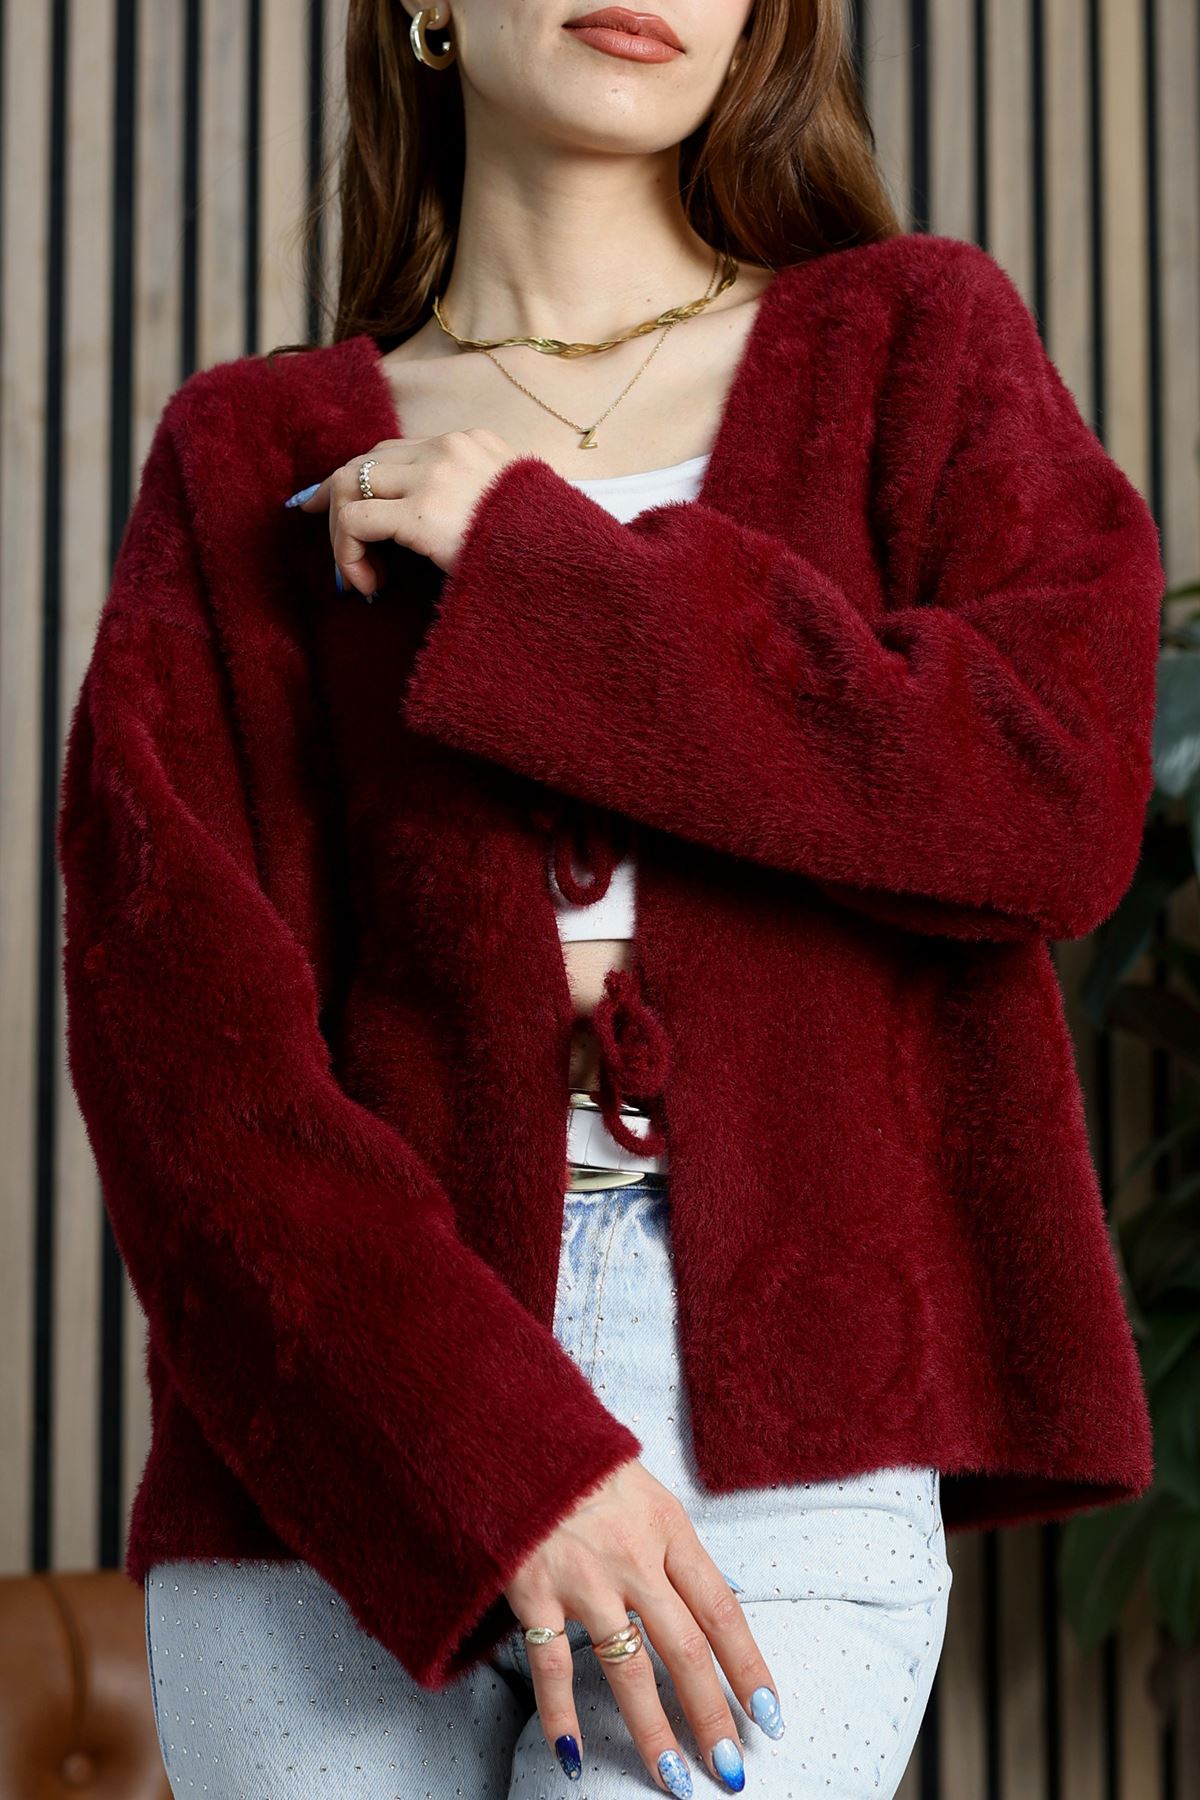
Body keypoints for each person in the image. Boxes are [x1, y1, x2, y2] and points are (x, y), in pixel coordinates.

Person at [57, 3, 1165, 1797]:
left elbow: (1047, 800)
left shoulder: (915, 347)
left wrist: (539, 572)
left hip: (777, 1423)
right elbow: (181, 1066)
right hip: (336, 1437)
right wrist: (496, 1461)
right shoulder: (242, 455)